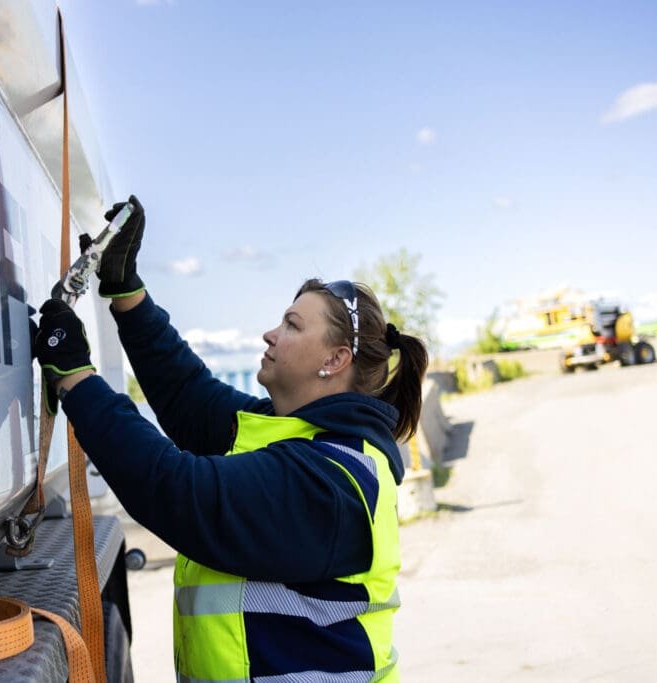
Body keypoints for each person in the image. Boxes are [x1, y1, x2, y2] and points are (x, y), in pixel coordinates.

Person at [33, 196, 428, 682]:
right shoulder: (293, 433)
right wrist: (124, 289)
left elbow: (178, 491)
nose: (269, 334)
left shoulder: (335, 481)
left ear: (335, 360)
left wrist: (76, 378)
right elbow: (190, 399)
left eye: (291, 324)